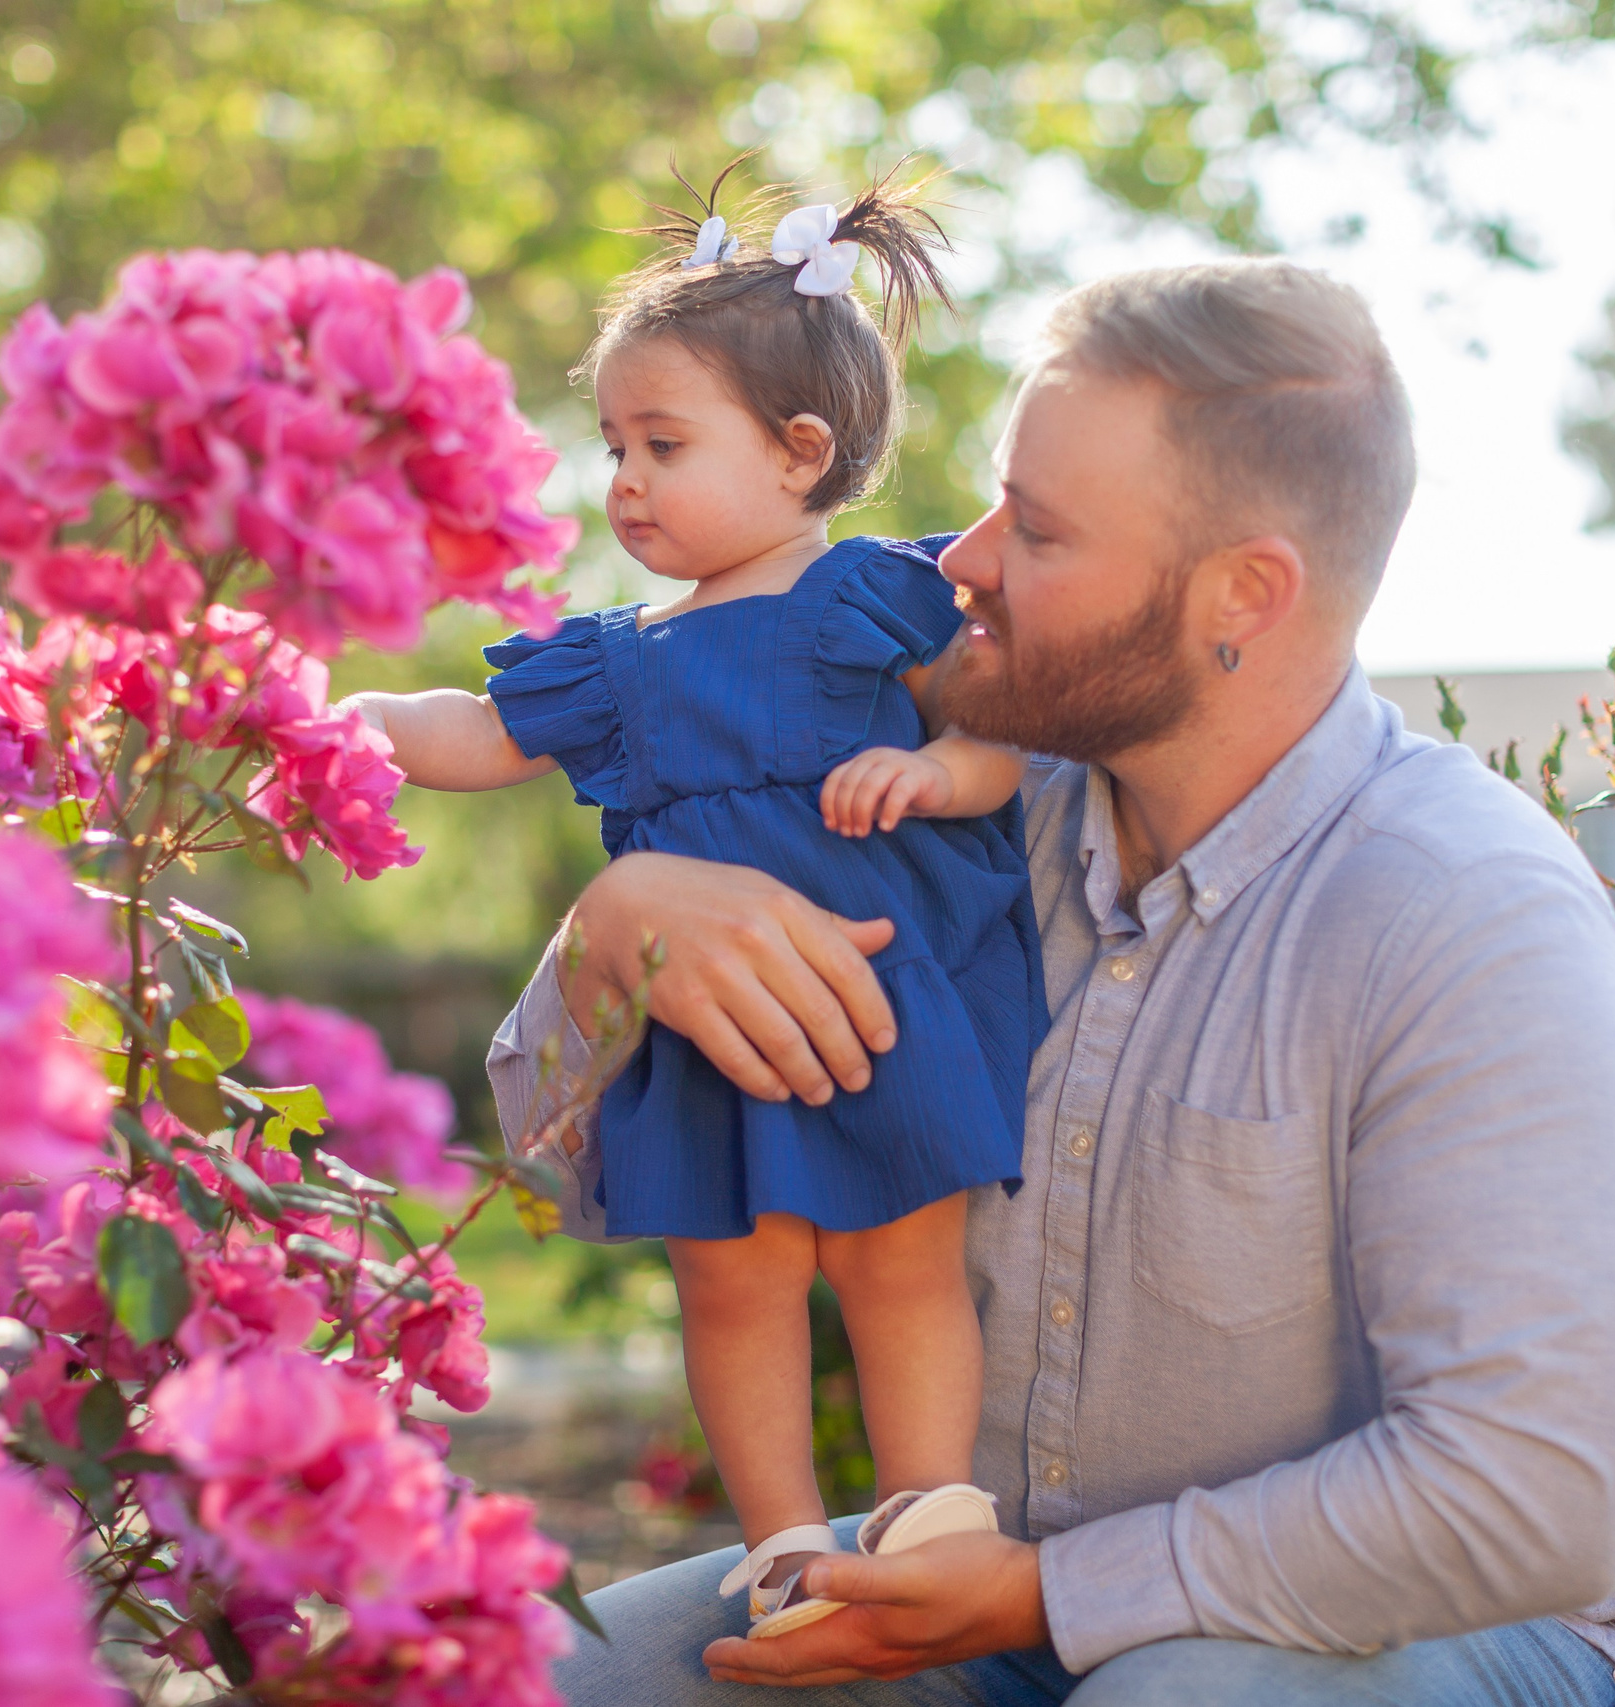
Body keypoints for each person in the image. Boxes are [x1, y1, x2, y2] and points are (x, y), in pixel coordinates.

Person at [489, 259, 1615, 1705]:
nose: (963, 559)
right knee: (513, 1681)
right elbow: (541, 1162)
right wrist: (610, 940)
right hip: (988, 1592)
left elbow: (1537, 1503)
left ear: (1242, 594)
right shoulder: (927, 814)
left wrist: (1043, 1594)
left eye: (1040, 529)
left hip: (1456, 1625)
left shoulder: (1464, 906)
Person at [354, 178, 1045, 1636]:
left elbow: (1002, 734)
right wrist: (343, 719)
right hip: (705, 1034)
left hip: (880, 1000)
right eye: (615, 446)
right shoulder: (617, 658)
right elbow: (475, 733)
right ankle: (782, 1541)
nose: (623, 481)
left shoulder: (876, 597)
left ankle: (930, 1510)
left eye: (663, 445)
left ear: (801, 454)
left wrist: (935, 776)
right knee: (731, 1287)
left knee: (903, 1264)